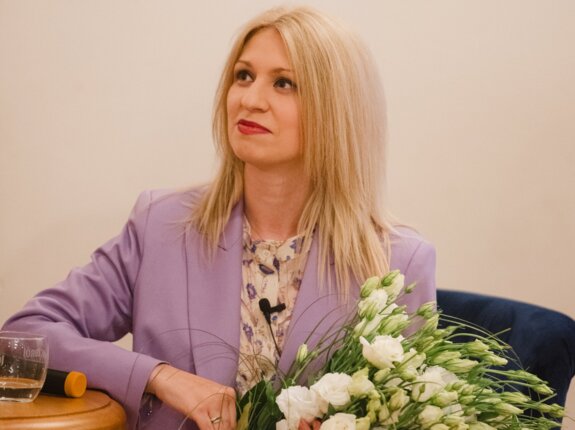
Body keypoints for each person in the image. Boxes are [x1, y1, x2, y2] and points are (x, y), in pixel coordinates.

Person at [2, 6, 436, 430]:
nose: (250, 99)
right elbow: (22, 338)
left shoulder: (398, 261)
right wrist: (158, 376)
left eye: (283, 83)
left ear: (336, 109)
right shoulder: (161, 226)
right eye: (243, 76)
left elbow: (414, 412)